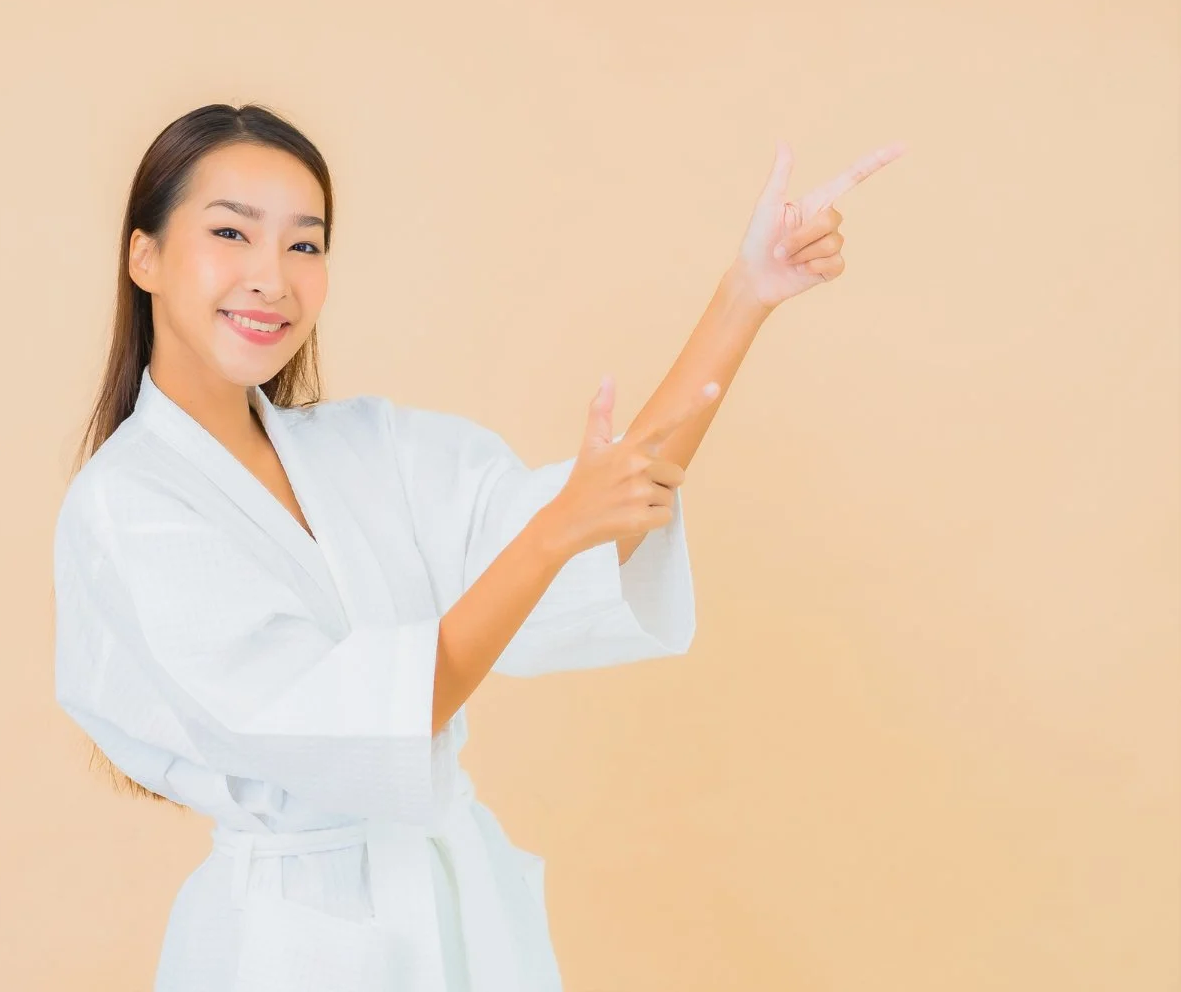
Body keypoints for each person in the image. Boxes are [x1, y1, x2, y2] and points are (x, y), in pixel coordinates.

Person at [52, 101, 904, 992]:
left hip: (460, 926)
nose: (272, 277)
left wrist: (746, 295)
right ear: (142, 254)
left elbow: (599, 520)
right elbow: (360, 726)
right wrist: (555, 532)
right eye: (232, 232)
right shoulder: (128, 507)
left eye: (305, 245)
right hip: (293, 951)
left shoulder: (370, 448)